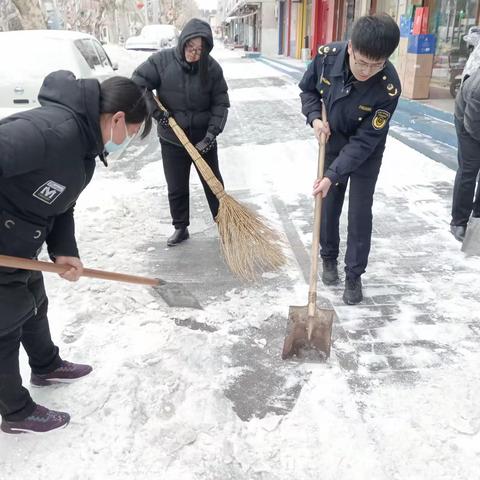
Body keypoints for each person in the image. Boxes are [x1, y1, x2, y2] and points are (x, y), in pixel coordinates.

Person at [0, 70, 151, 434]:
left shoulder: (85, 146)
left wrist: (63, 250)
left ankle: (46, 366)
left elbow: (62, 203)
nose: (126, 141)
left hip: (23, 240)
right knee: (4, 326)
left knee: (35, 304)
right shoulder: (49, 133)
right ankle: (16, 412)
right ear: (116, 119)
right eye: (130, 133)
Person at [299, 14, 401, 305]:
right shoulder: (326, 58)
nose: (368, 71)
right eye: (362, 62)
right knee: (329, 202)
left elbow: (365, 140)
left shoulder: (388, 86)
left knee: (359, 210)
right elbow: (307, 90)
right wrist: (315, 119)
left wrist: (333, 174)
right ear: (351, 49)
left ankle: (354, 274)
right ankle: (328, 257)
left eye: (376, 64)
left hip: (365, 150)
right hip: (332, 138)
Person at [132, 18, 230, 246]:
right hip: (172, 139)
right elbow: (138, 82)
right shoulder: (162, 61)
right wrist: (156, 112)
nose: (194, 54)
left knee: (213, 183)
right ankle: (180, 227)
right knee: (176, 185)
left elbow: (221, 102)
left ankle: (225, 224)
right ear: (182, 42)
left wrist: (211, 135)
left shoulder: (212, 68)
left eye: (199, 50)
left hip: (202, 139)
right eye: (190, 47)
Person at [450, 67, 480, 242]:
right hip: (467, 121)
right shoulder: (478, 90)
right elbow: (472, 126)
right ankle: (458, 222)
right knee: (469, 169)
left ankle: (478, 215)